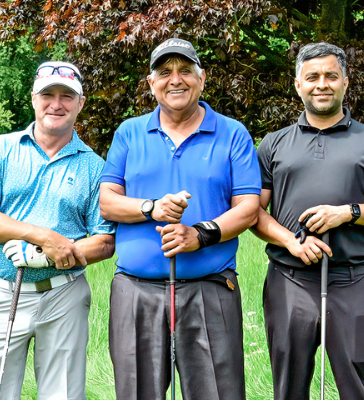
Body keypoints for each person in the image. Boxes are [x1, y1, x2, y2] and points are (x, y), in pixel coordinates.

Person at [99, 38, 261, 400]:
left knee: (217, 393)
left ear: (201, 79)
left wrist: (199, 235)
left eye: (185, 71)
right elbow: (108, 202)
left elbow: (248, 208)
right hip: (136, 289)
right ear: (151, 82)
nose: (176, 79)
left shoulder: (232, 133)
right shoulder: (129, 132)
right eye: (165, 72)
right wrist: (151, 208)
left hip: (210, 287)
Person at [251, 42, 364, 400]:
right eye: (313, 77)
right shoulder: (274, 144)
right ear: (298, 85)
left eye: (331, 76)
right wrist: (291, 241)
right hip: (289, 279)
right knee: (289, 388)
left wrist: (346, 213)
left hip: (352, 280)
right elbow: (253, 213)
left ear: (345, 83)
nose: (322, 84)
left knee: (357, 386)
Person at [0, 61, 115, 400]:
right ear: (33, 98)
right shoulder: (0, 149)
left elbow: (104, 242)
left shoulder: (94, 166)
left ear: (80, 104)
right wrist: (42, 238)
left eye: (66, 96)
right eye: (48, 94)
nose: (56, 104)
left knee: (62, 393)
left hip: (65, 293)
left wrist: (47, 257)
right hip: (5, 292)